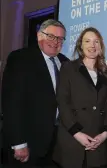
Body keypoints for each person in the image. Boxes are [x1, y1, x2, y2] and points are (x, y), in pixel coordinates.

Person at [1, 19, 69, 168]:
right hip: (29, 144)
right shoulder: (20, 58)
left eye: (60, 38)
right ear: (39, 36)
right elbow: (11, 102)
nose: (56, 41)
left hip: (58, 145)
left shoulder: (65, 62)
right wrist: (18, 143)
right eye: (51, 36)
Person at [52, 27, 107, 168]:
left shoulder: (106, 73)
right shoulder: (68, 68)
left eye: (96, 42)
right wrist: (77, 133)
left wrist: (104, 134)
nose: (92, 45)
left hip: (98, 142)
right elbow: (63, 102)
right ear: (81, 45)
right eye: (87, 41)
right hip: (72, 140)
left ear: (101, 46)